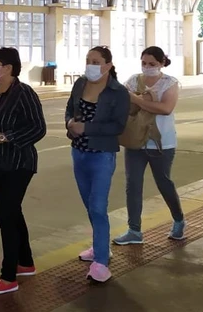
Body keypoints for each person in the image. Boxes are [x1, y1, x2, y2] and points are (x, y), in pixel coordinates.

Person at [0, 47, 47, 295]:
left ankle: (8, 277)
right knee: (13, 212)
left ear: (8, 68)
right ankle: (25, 262)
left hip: (18, 163)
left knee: (5, 215)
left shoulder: (23, 93)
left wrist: (5, 137)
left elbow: (38, 128)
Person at [65, 46, 130, 283]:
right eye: (87, 60)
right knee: (89, 204)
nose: (90, 65)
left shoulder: (118, 92)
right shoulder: (80, 84)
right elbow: (69, 110)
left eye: (96, 61)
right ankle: (99, 245)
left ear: (108, 66)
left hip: (101, 155)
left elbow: (118, 126)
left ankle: (101, 262)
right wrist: (70, 123)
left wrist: (87, 128)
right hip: (79, 153)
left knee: (98, 207)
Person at [113, 46, 185, 246]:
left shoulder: (169, 84)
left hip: (162, 143)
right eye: (144, 63)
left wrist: (136, 99)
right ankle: (134, 230)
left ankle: (179, 220)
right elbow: (122, 103)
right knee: (133, 185)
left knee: (164, 183)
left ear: (162, 63)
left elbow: (165, 108)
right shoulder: (133, 80)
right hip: (135, 141)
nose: (147, 67)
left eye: (152, 64)